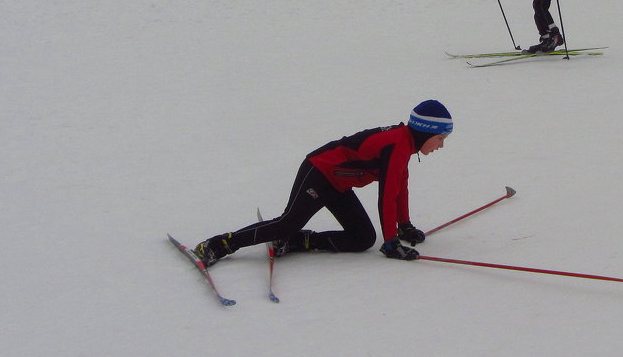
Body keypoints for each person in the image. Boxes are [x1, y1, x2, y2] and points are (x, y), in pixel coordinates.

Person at [191, 99, 453, 267]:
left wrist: (403, 226)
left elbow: (399, 189)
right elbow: (387, 196)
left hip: (338, 184)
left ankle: (295, 242)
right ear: (426, 131)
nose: (441, 145)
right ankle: (220, 244)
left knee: (362, 238)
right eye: (441, 138)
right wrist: (391, 241)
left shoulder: (404, 145)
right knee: (288, 222)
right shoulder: (397, 144)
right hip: (319, 171)